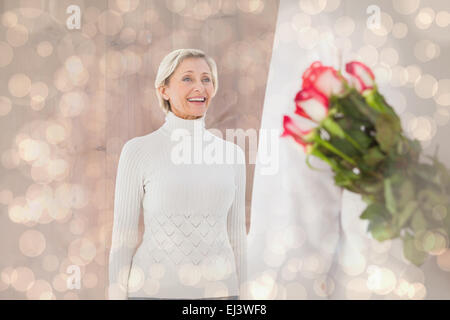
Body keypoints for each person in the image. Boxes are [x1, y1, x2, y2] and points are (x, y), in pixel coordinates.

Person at [108, 49, 247, 300]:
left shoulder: (233, 155)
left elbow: (237, 236)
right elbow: (123, 238)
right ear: (164, 90)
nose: (199, 87)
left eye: (206, 79)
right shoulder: (138, 151)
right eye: (187, 79)